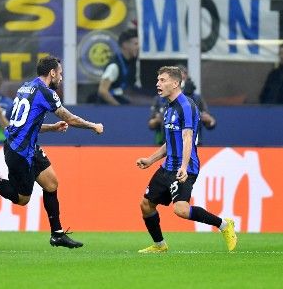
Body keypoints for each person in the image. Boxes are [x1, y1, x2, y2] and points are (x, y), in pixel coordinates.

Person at [0, 56, 104, 248]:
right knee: (22, 199)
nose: (61, 78)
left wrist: (52, 128)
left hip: (27, 147)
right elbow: (70, 118)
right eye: (60, 74)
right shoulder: (46, 92)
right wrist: (93, 126)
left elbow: (27, 124)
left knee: (51, 184)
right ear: (52, 73)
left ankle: (57, 234)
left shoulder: (26, 87)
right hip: (19, 152)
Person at [135, 66, 237, 253]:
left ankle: (224, 224)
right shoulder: (168, 108)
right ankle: (160, 245)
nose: (158, 83)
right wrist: (151, 160)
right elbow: (170, 143)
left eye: (162, 80)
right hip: (167, 167)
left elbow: (188, 137)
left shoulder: (186, 106)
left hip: (185, 167)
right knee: (146, 205)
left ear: (175, 83)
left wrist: (183, 166)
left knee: (181, 210)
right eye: (158, 80)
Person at [148, 64, 215, 146]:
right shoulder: (160, 98)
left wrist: (209, 120)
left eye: (182, 79)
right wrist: (157, 120)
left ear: (187, 78)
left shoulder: (196, 98)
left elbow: (210, 122)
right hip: (165, 143)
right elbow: (151, 124)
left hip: (192, 145)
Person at [94, 28, 140, 105]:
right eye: (135, 44)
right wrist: (118, 107)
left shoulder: (133, 62)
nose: (138, 47)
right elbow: (102, 91)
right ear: (125, 45)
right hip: (108, 109)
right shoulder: (114, 66)